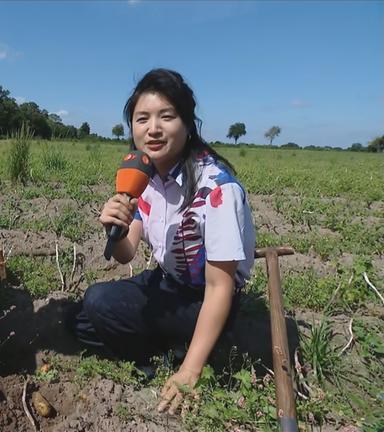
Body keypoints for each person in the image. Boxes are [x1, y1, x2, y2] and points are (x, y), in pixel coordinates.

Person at [71, 68, 256, 414]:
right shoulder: (146, 179)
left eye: (166, 116)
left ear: (187, 124)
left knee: (100, 307)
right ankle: (175, 345)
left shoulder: (216, 188)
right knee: (81, 315)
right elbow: (126, 255)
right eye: (142, 119)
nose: (152, 129)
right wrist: (115, 226)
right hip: (168, 285)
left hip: (207, 299)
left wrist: (191, 372)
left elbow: (220, 288)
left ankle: (191, 354)